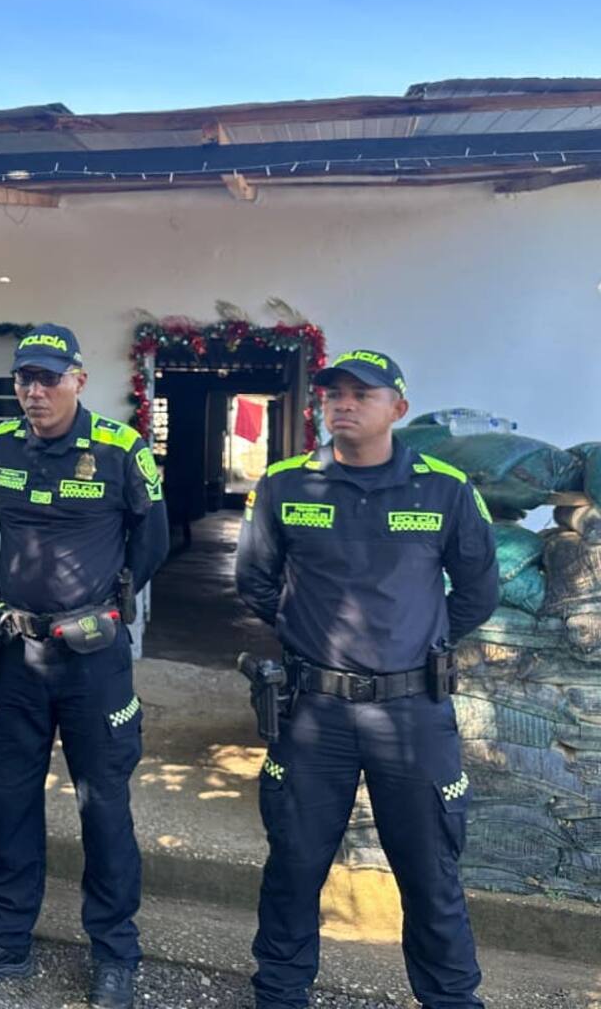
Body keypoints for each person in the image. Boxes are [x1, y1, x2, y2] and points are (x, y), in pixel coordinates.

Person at [235, 349, 498, 1009]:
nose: (342, 404)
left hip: (412, 715)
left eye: (361, 393)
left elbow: (477, 589)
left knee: (430, 875)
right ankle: (280, 995)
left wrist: (419, 643)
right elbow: (255, 581)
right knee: (294, 866)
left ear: (398, 409)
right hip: (312, 713)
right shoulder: (285, 485)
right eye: (333, 394)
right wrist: (306, 634)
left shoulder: (444, 488)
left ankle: (452, 1000)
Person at [0, 325, 170, 1009]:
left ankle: (115, 955)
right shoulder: (0, 444)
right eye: (23, 380)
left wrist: (103, 602)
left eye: (47, 378)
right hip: (16, 657)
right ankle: (5, 940)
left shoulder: (122, 451)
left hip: (94, 662)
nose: (34, 392)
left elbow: (149, 542)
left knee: (104, 809)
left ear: (78, 380)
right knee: (9, 801)